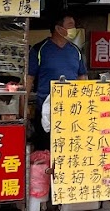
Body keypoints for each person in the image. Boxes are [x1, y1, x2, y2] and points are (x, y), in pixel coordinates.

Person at [26, 15, 86, 147]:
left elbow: (82, 77)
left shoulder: (76, 51)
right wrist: (22, 106)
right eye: (70, 25)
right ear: (58, 28)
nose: (74, 29)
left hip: (72, 110)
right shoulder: (39, 49)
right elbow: (29, 78)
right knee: (46, 148)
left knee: (70, 146)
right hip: (46, 111)